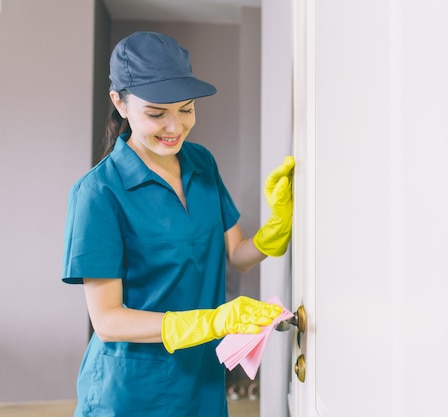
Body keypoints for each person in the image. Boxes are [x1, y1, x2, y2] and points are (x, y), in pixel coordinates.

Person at [62, 31, 294, 417]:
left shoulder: (201, 162)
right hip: (132, 390)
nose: (175, 127)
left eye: (186, 109)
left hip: (201, 377)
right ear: (119, 103)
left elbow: (237, 255)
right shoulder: (98, 192)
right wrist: (214, 320)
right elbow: (107, 320)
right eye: (156, 113)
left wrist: (278, 227)